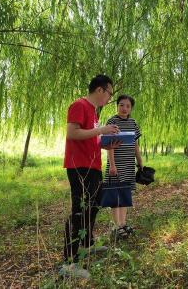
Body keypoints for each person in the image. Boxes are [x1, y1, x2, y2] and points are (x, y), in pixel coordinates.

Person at [60, 74, 121, 278]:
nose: (109, 98)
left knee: (93, 206)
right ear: (100, 90)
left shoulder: (94, 112)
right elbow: (72, 133)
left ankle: (86, 245)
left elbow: (90, 138)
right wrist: (101, 130)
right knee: (79, 210)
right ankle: (69, 263)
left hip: (93, 166)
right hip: (80, 167)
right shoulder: (79, 105)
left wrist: (106, 141)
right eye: (109, 93)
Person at [104, 94, 143, 239]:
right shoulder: (112, 121)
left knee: (125, 195)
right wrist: (112, 165)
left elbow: (135, 145)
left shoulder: (133, 123)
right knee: (116, 195)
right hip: (116, 165)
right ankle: (117, 226)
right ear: (117, 106)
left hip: (128, 164)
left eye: (127, 106)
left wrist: (140, 162)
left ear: (131, 108)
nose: (124, 108)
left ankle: (123, 223)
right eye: (121, 105)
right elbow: (109, 145)